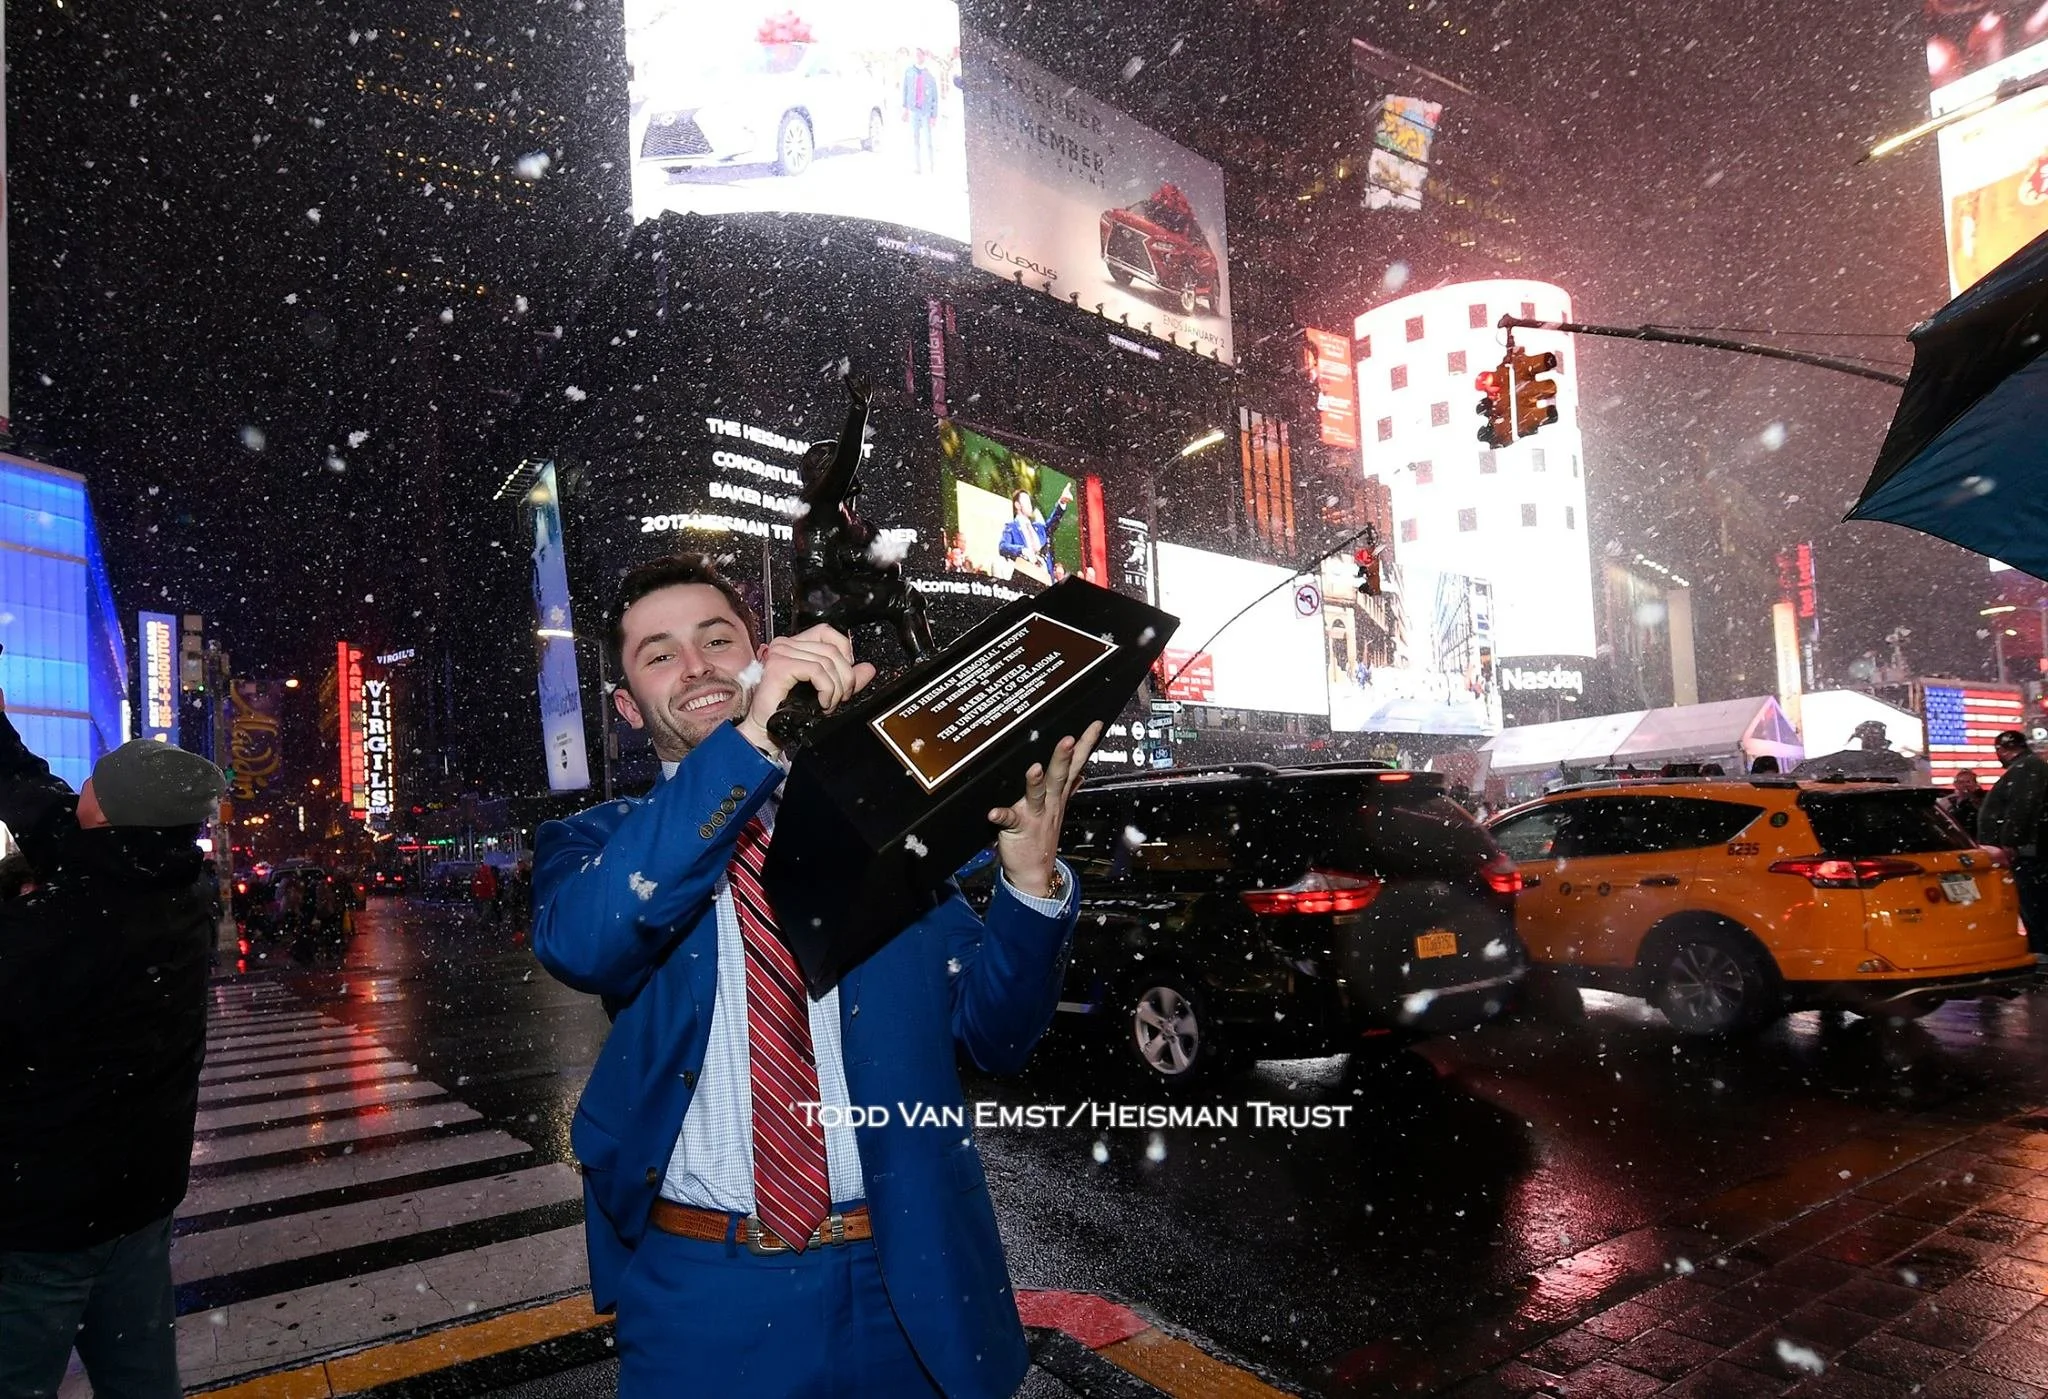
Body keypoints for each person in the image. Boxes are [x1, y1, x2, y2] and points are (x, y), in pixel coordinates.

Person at [531, 555, 1092, 1398]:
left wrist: (1030, 880)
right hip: (704, 1294)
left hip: (907, 1274)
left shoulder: (872, 826)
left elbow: (996, 1034)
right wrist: (750, 743)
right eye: (661, 653)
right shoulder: (600, 842)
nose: (698, 666)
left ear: (761, 658)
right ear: (627, 707)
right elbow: (589, 940)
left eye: (718, 639)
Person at [0, 700, 226, 1397]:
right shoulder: (181, 884)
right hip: (138, 1200)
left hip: (43, 1218)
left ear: (109, 816)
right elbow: (33, 787)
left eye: (92, 783)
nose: (78, 789)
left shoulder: (65, 928)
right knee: (141, 1379)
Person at [1980, 730, 2048, 954]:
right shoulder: (2027, 768)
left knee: (2033, 904)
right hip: (2028, 850)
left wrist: (2011, 841)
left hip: (2027, 853)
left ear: (2003, 749)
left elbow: (2021, 808)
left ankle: (2041, 953)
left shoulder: (2026, 769)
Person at [996, 482, 1073, 577]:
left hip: (1045, 578)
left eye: (1029, 501)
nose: (1029, 504)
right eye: (1025, 501)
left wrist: (1062, 502)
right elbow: (1002, 547)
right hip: (1025, 579)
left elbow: (1053, 522)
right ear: (1017, 505)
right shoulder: (1011, 527)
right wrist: (1022, 550)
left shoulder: (1038, 527)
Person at [900, 48, 939, 175]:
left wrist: (934, 115)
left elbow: (935, 96)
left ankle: (931, 165)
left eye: (919, 54)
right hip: (913, 110)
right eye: (915, 54)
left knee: (928, 140)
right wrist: (905, 108)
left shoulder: (929, 73)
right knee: (914, 139)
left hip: (926, 111)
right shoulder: (909, 71)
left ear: (924, 56)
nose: (917, 57)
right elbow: (905, 90)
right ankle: (917, 166)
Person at [1945, 769, 1986, 837]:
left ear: (1975, 784)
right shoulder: (1947, 801)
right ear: (1955, 784)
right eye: (1961, 782)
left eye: (1968, 782)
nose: (1965, 785)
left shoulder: (1983, 799)